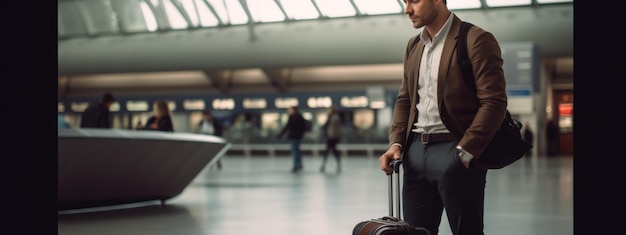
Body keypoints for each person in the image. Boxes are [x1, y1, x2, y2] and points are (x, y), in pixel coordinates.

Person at [378, 1, 507, 234]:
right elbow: (405, 100)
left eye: (414, 1)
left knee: (466, 231)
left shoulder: (475, 39)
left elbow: (494, 102)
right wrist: (396, 143)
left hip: (455, 151)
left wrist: (464, 153)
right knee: (416, 231)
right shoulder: (414, 46)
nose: (407, 9)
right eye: (405, 1)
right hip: (415, 153)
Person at [277, 106, 307, 173]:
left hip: (293, 136)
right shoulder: (300, 117)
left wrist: (280, 134)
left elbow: (287, 126)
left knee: (294, 151)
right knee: (297, 150)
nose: (289, 111)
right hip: (299, 136)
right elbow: (304, 127)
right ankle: (299, 164)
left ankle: (295, 165)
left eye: (290, 110)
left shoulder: (292, 117)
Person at [319, 105, 342, 173]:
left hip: (332, 137)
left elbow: (335, 128)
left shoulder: (335, 118)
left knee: (330, 150)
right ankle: (324, 165)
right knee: (332, 150)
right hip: (330, 136)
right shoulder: (331, 117)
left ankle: (323, 165)